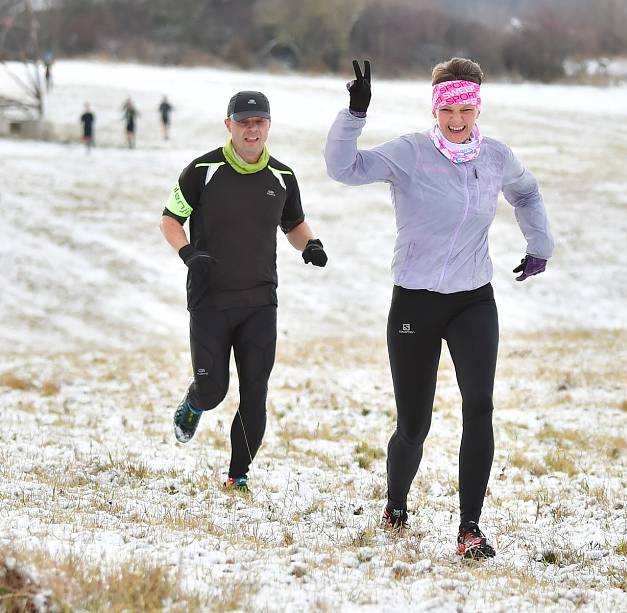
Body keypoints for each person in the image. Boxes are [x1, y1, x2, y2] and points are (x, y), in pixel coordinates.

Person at [325, 58, 554, 559]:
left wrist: (539, 244)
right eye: (447, 108)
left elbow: (527, 192)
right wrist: (354, 114)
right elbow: (343, 168)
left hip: (474, 299)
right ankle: (396, 503)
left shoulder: (495, 157)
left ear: (477, 108)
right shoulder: (410, 152)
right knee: (414, 424)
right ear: (436, 108)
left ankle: (469, 528)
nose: (456, 118)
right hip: (416, 302)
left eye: (465, 108)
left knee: (481, 408)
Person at [160, 90, 328, 493]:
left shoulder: (283, 177)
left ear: (268, 125)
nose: (252, 130)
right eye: (244, 122)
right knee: (214, 390)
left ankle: (238, 475)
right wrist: (188, 254)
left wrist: (311, 245)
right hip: (210, 300)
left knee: (255, 392)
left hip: (259, 301)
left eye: (259, 122)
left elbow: (293, 224)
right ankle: (194, 403)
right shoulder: (202, 171)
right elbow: (170, 219)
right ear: (229, 125)